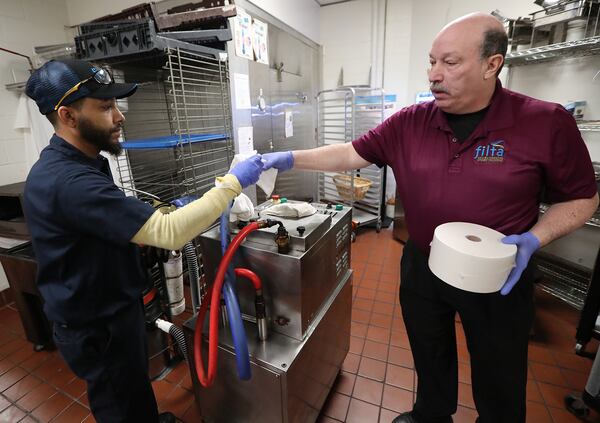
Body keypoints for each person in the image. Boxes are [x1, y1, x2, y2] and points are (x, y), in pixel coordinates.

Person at [262, 12, 599, 423]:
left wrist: (536, 238)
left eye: (450, 62)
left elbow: (582, 199)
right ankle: (431, 413)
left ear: (492, 64)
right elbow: (351, 153)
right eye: (431, 61)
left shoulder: (545, 122)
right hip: (423, 264)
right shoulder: (411, 122)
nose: (434, 75)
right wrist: (285, 158)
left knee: (499, 368)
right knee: (428, 347)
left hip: (499, 272)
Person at [23, 59, 264, 423]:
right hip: (96, 326)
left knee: (133, 388)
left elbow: (105, 221)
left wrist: (154, 217)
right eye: (105, 107)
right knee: (119, 403)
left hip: (114, 309)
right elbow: (170, 233)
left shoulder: (84, 161)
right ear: (68, 117)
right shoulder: (68, 181)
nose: (119, 117)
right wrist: (232, 183)